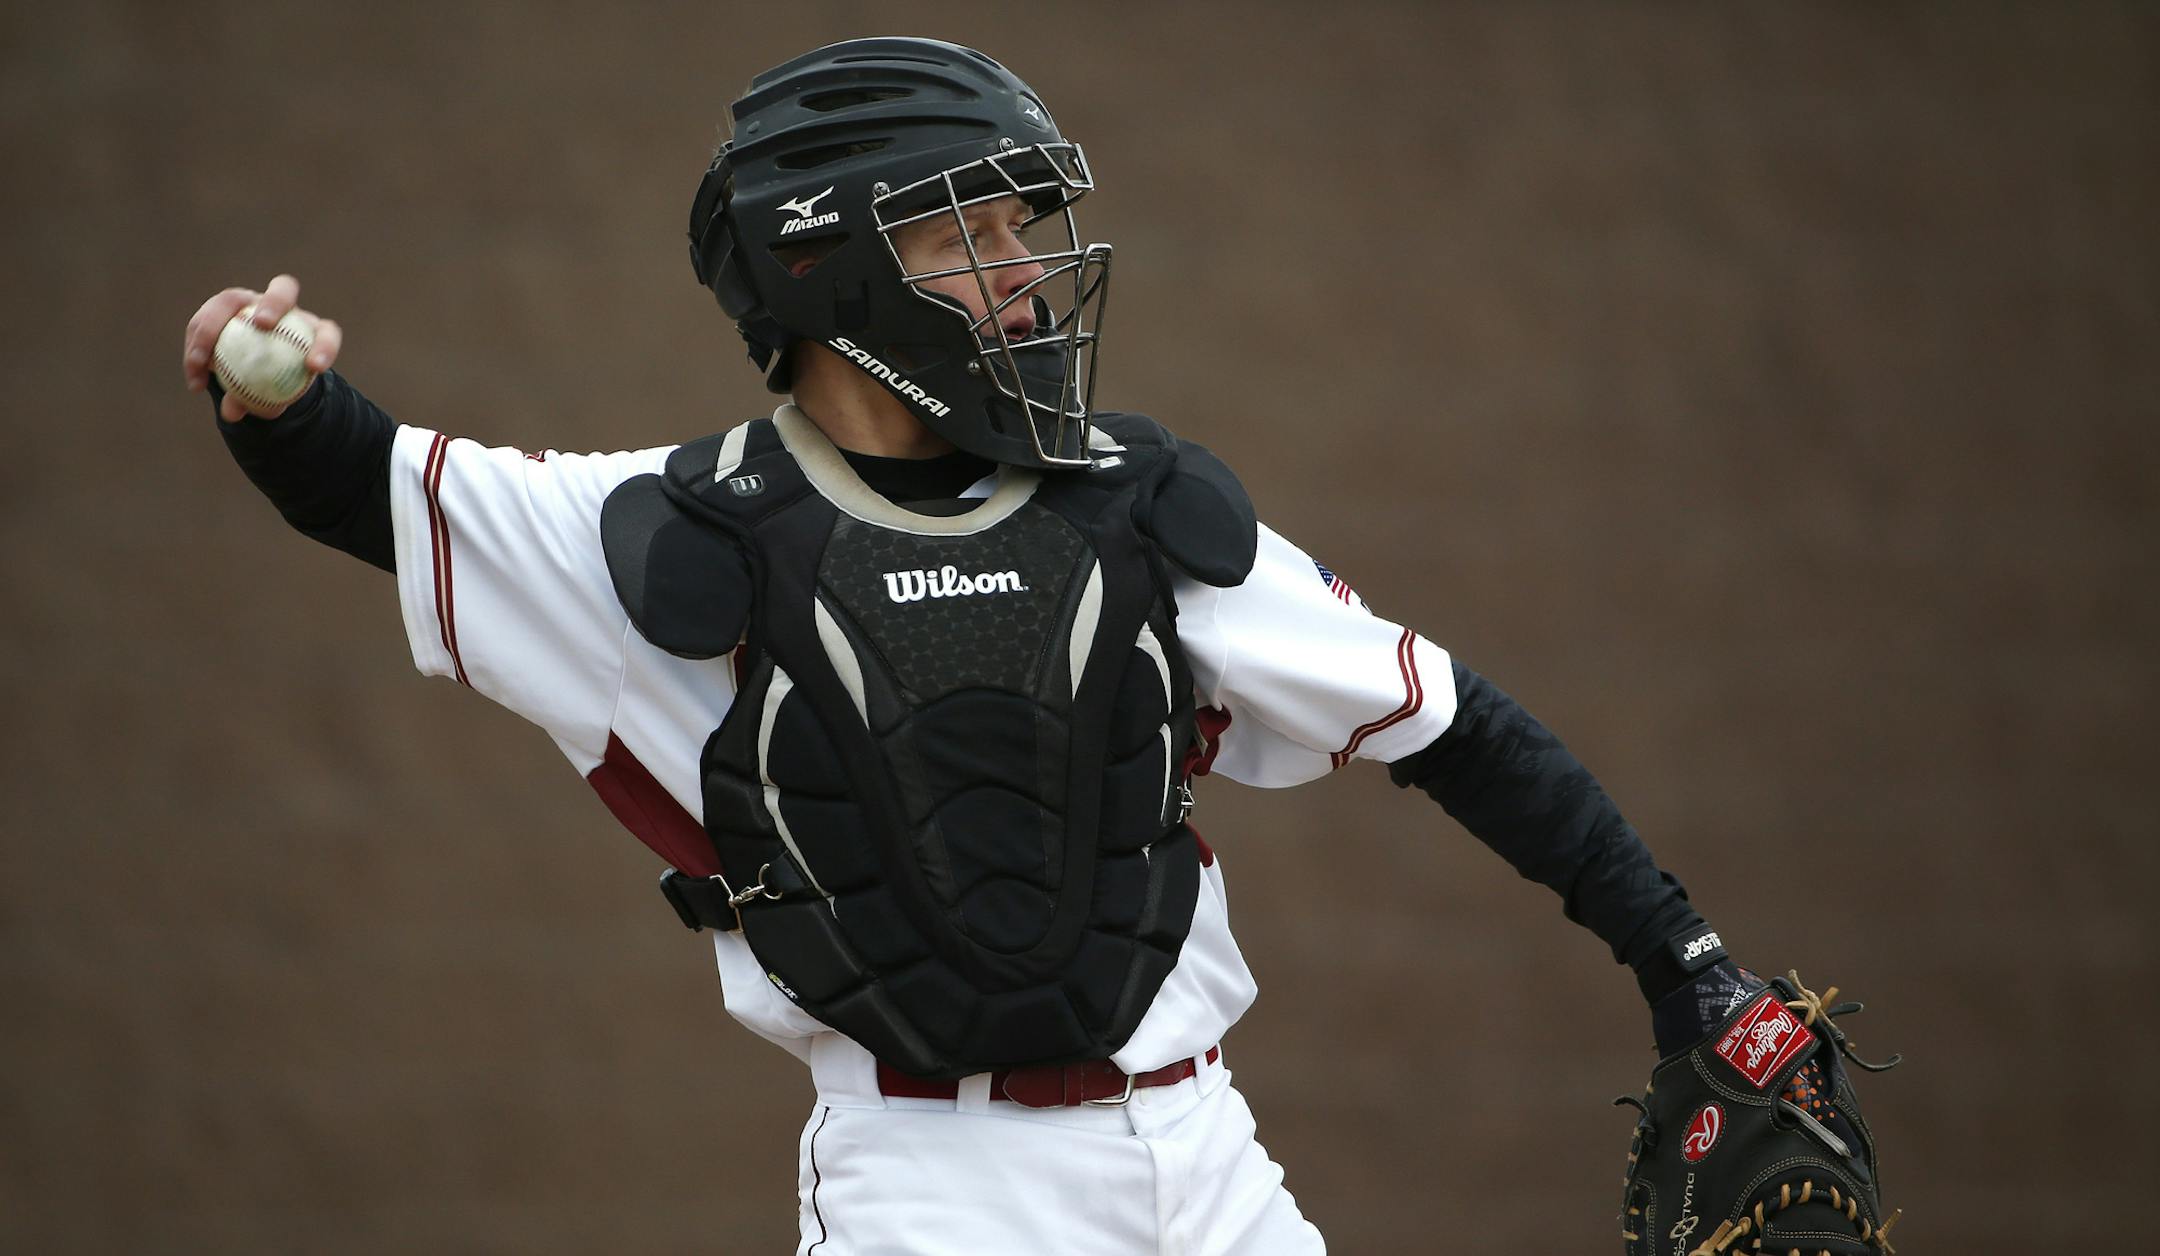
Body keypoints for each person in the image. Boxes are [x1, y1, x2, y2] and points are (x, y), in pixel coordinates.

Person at [181, 37, 1776, 1255]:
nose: (1027, 281)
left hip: (1203, 1159)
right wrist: (275, 401)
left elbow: (1451, 726)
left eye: (1030, 232)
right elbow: (370, 487)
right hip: (932, 1193)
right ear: (830, 257)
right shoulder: (664, 535)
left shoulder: (1136, 506)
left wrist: (1684, 969)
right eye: (973, 236)